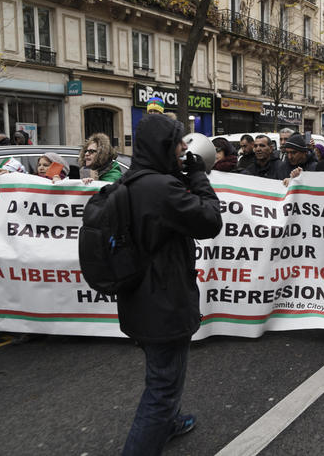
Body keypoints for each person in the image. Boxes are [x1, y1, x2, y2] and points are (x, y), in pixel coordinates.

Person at [117, 114, 222, 455]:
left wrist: (180, 175)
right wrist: (198, 177)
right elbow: (210, 219)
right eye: (178, 143)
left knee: (163, 375)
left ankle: (170, 422)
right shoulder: (161, 189)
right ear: (163, 146)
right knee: (162, 388)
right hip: (164, 303)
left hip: (141, 299)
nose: (182, 149)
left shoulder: (135, 180)